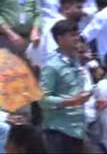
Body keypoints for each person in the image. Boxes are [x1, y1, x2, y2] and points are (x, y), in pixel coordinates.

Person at [39, 19, 91, 153]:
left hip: (78, 129)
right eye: (72, 35)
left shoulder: (76, 61)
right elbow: (42, 99)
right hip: (58, 131)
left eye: (77, 34)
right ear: (60, 39)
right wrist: (71, 101)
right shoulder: (52, 65)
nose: (77, 38)